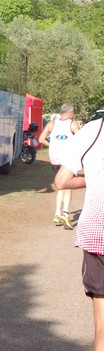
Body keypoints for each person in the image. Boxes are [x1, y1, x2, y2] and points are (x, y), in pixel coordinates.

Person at [54, 116, 104, 351]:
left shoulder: (93, 129)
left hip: (97, 231)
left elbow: (61, 181)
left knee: (102, 327)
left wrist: (93, 179)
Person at [38, 103, 81, 230]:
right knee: (68, 185)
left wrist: (52, 145)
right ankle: (66, 213)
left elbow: (41, 139)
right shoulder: (73, 124)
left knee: (60, 185)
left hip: (54, 158)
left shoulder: (52, 123)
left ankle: (57, 212)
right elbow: (81, 140)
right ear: (70, 112)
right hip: (67, 158)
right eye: (73, 112)